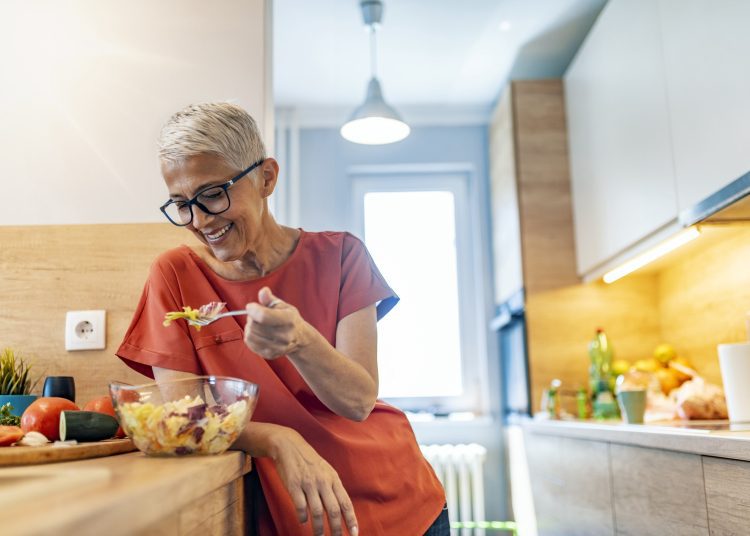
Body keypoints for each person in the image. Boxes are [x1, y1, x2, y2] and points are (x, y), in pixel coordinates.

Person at [116, 102, 448, 535]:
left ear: (266, 178)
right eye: (182, 204)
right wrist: (276, 438)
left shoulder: (342, 255)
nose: (198, 220)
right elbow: (183, 418)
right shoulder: (175, 275)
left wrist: (301, 341)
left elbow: (358, 401)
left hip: (402, 502)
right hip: (298, 513)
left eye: (213, 194)